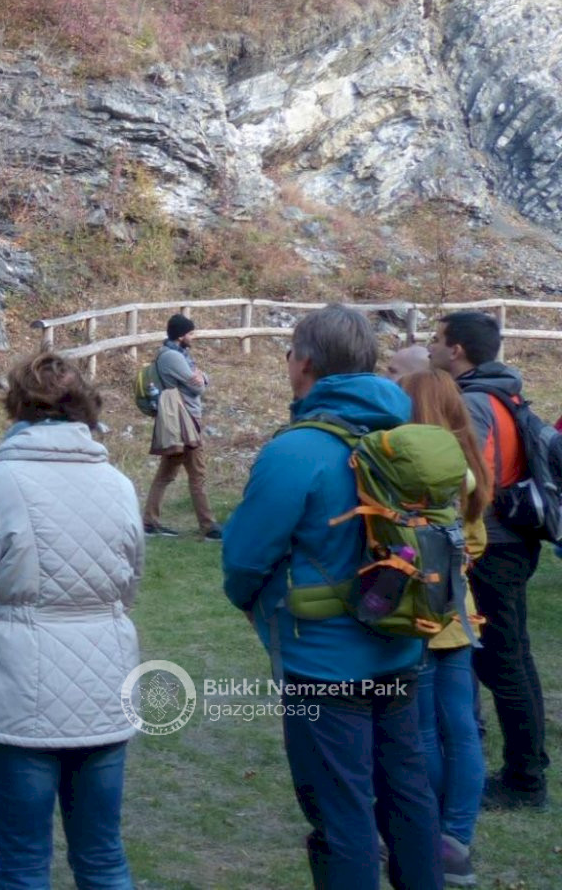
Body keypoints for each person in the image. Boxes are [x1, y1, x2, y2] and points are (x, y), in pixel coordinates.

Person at [223, 305, 442, 889]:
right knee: (409, 797)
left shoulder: (295, 451)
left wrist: (248, 602)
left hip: (322, 664)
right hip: (400, 645)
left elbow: (243, 560)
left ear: (305, 364)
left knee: (341, 813)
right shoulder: (408, 436)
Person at [0, 352, 143, 890]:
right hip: (102, 683)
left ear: (18, 405)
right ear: (85, 407)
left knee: (24, 863)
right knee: (102, 857)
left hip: (18, 689)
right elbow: (128, 587)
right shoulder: (119, 485)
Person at [429, 310, 550, 811]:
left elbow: (470, 480)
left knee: (504, 662)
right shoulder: (504, 393)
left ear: (456, 350)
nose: (431, 347)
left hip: (495, 546)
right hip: (513, 541)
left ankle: (525, 780)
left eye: (437, 339)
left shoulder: (474, 401)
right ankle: (527, 769)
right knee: (513, 657)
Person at [397, 367, 491, 887]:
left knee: (425, 731)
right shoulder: (468, 463)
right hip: (460, 611)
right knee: (464, 730)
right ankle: (458, 837)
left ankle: (430, 831)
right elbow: (476, 543)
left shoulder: (404, 468)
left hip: (416, 613)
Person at [143, 313, 218, 540]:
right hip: (186, 422)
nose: (193, 337)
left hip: (180, 420)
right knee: (198, 474)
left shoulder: (174, 354)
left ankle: (149, 522)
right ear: (181, 335)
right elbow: (198, 387)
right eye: (190, 333)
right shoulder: (173, 357)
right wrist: (202, 378)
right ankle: (209, 527)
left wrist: (202, 376)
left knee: (166, 474)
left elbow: (200, 378)